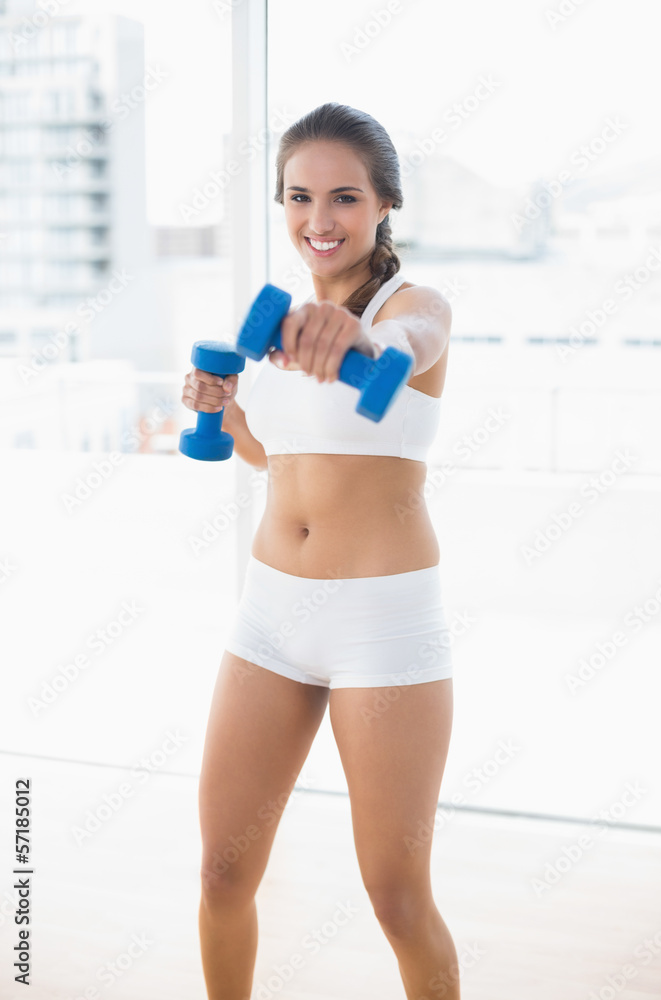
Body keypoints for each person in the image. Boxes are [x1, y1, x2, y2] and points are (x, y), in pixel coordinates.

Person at [182, 102, 459, 1000]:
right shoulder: (287, 328)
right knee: (222, 875)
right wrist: (222, 406)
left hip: (382, 626)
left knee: (394, 897)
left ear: (385, 204)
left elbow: (409, 347)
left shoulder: (410, 309)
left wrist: (361, 337)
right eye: (299, 198)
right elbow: (281, 460)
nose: (319, 220)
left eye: (343, 197)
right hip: (270, 615)